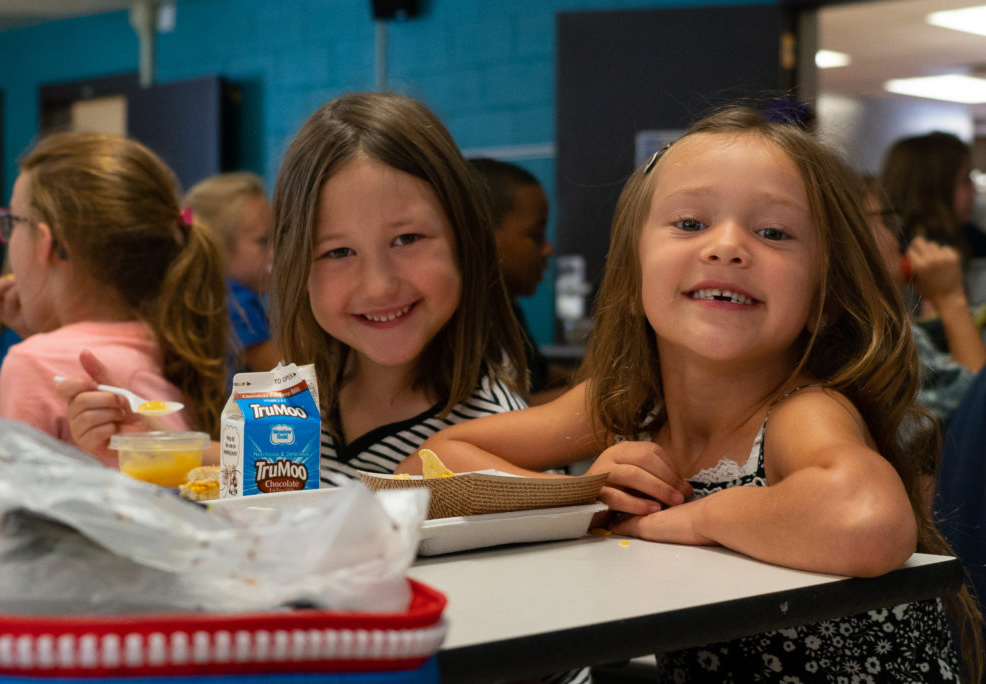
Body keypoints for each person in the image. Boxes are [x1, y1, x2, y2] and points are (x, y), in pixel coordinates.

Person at [398, 106, 981, 681]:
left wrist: (698, 519)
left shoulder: (801, 411)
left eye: (774, 232)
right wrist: (580, 501)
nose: (726, 247)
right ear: (634, 280)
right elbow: (428, 464)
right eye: (690, 224)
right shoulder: (628, 401)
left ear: (823, 300)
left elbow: (869, 520)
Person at [63, 92, 530, 486]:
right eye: (338, 252)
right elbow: (252, 472)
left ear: (464, 238)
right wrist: (146, 438)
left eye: (407, 239)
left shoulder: (495, 427)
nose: (379, 283)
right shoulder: (298, 399)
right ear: (295, 266)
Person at [0, 131, 227, 458]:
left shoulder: (32, 362)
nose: (7, 238)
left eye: (12, 222)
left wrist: (39, 344)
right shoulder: (167, 340)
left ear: (46, 243)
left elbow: (16, 505)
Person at [864, 176, 983, 422]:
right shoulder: (874, 338)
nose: (897, 238)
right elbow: (977, 410)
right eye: (884, 222)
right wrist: (950, 298)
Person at [468, 157, 571, 405]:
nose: (548, 249)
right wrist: (603, 395)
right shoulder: (470, 324)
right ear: (483, 236)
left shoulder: (507, 310)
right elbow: (507, 415)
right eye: (536, 235)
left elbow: (541, 375)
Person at [183, 172, 281, 377]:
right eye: (264, 241)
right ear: (218, 247)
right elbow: (281, 374)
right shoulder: (236, 303)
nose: (275, 253)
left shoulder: (197, 293)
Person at [880, 131, 986, 306]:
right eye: (965, 181)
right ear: (932, 189)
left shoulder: (970, 240)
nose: (973, 191)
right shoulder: (902, 254)